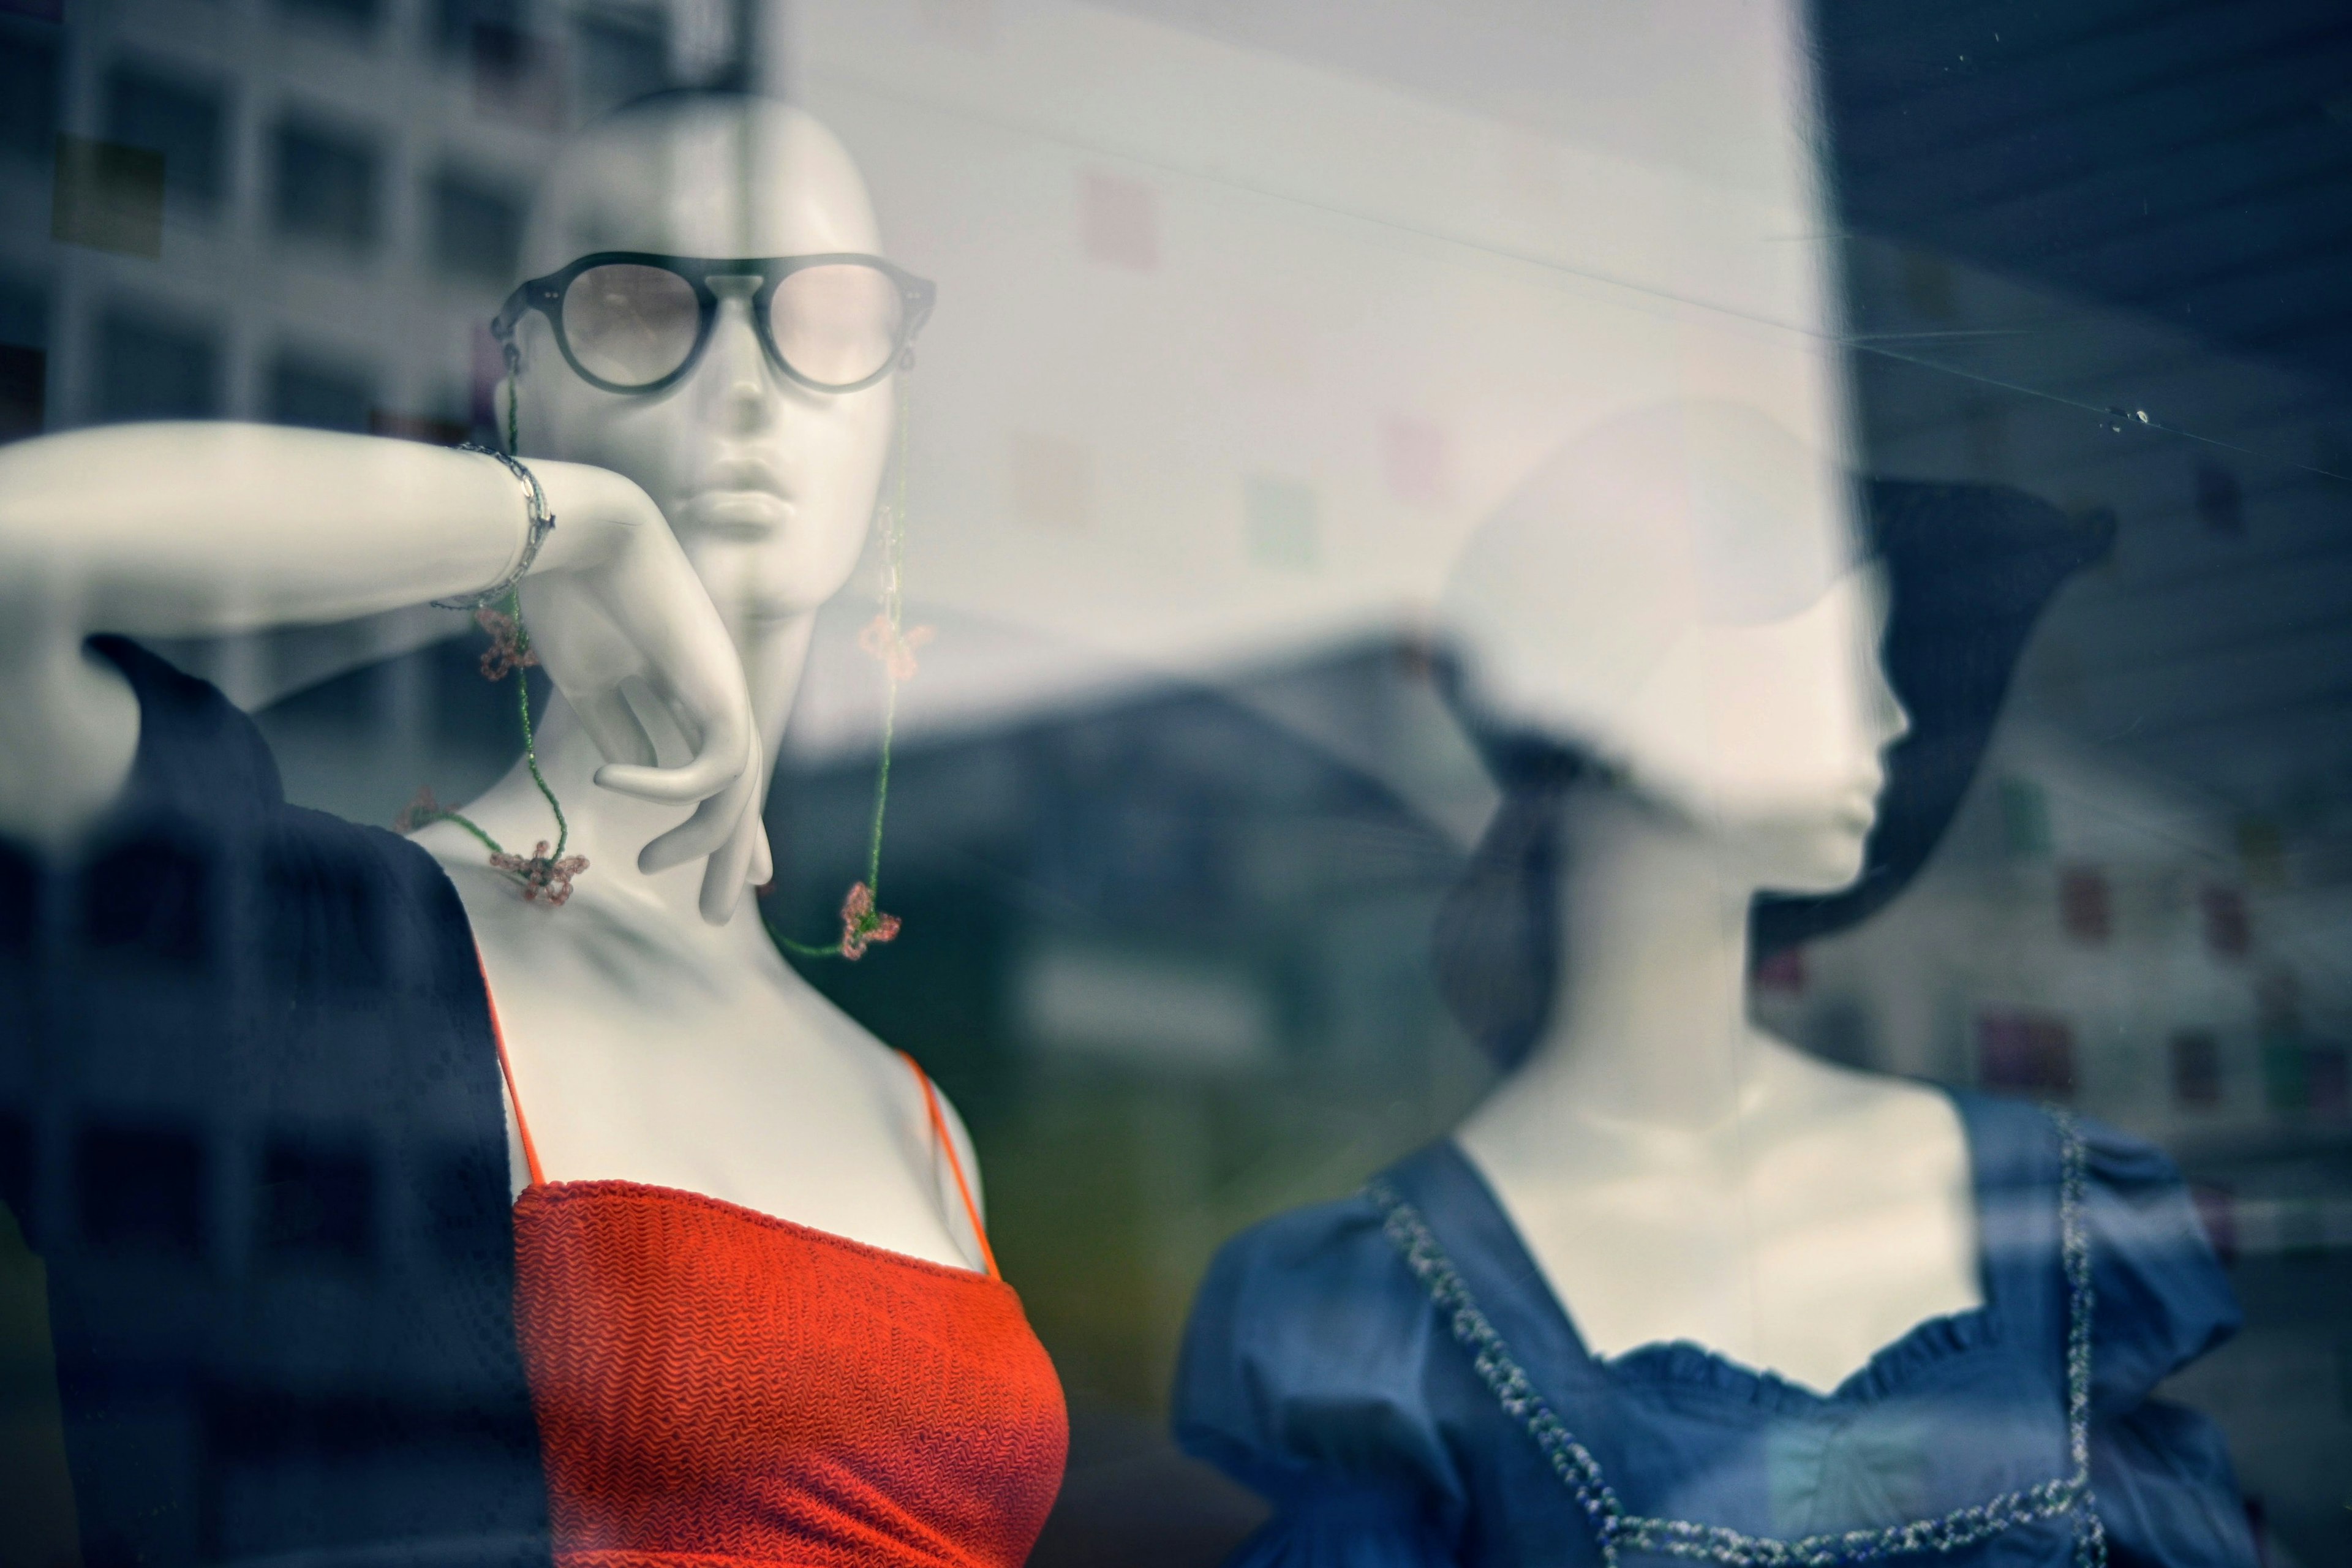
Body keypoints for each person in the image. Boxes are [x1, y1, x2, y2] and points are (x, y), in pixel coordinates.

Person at [0, 92, 1065, 1568]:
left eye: (821, 317)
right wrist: (559, 523)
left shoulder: (917, 1119)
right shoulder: (327, 953)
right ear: (515, 389)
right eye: (639, 305)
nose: (744, 384)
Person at [1172, 402, 2253, 1568]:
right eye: (1840, 658)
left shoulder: (2053, 1210)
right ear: (1615, 696)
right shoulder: (1374, 1321)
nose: (1892, 718)